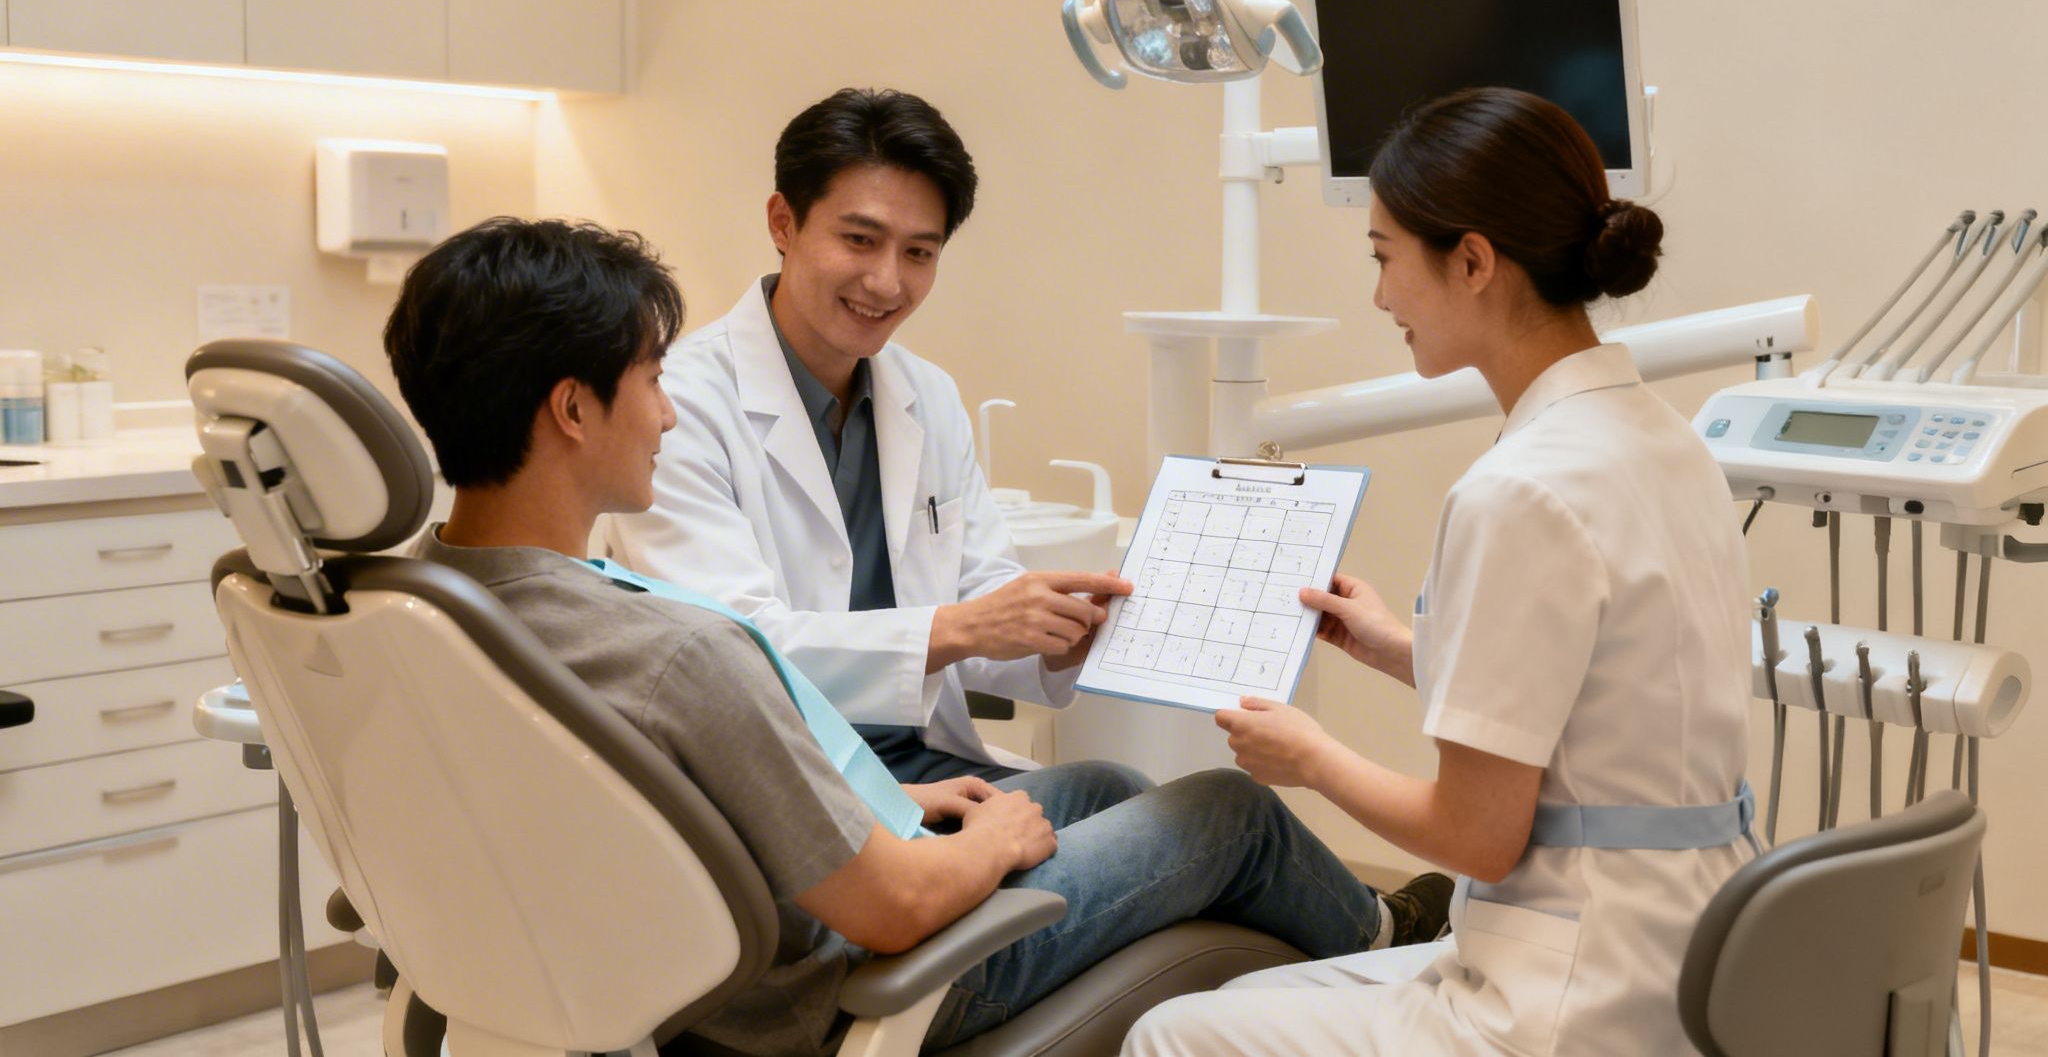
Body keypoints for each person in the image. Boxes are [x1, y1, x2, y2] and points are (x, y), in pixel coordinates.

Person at [382, 216, 1453, 1057]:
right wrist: (986, 846)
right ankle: (1388, 952)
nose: (668, 415)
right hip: (831, 987)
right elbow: (890, 909)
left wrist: (919, 779)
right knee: (1227, 812)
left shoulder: (423, 607)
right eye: (651, 383)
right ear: (573, 411)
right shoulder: (674, 650)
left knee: (1107, 789)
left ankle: (1327, 944)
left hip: (719, 931)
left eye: (919, 249)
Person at [1124, 88, 1756, 1056]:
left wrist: (1310, 758)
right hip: (1688, 962)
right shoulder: (1669, 445)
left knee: (1167, 1037)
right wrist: (1400, 649)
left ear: (1470, 262)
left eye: (1384, 259)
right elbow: (1604, 711)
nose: (1379, 299)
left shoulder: (1514, 492)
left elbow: (1475, 836)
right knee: (1280, 992)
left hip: (1564, 999)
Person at [605, 87, 1136, 791]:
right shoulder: (678, 403)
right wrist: (963, 627)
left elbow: (982, 601)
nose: (887, 281)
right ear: (783, 222)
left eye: (919, 252)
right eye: (860, 240)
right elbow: (733, 654)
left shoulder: (929, 397)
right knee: (1183, 817)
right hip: (785, 787)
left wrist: (1064, 635)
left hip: (921, 767)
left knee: (1125, 793)